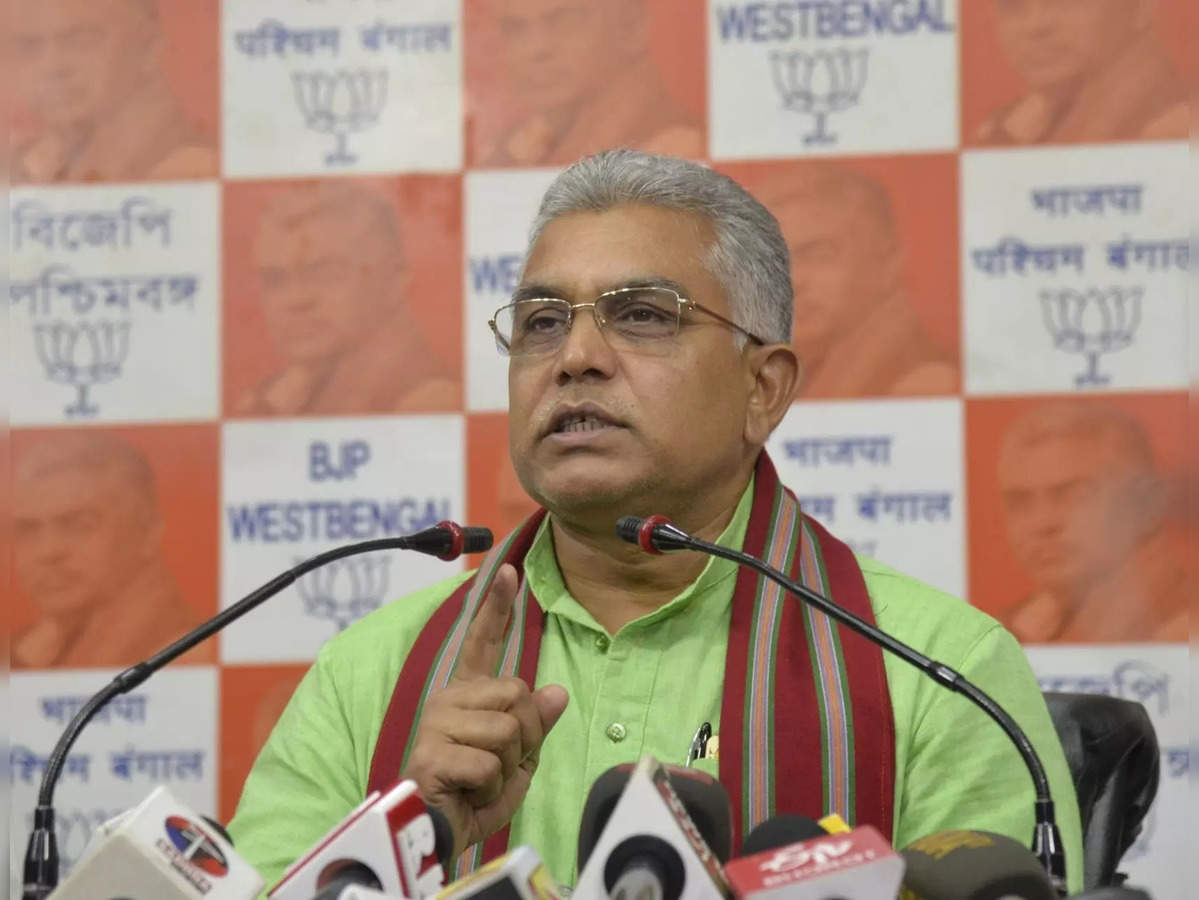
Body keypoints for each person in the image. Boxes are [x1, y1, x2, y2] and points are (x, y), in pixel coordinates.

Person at [228, 150, 1083, 891]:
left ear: (763, 388)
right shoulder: (370, 678)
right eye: (540, 322)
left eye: (640, 315)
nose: (575, 358)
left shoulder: (938, 670)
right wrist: (411, 836)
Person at [234, 181, 461, 416]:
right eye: (276, 280)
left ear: (394, 281)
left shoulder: (426, 401)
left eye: (326, 274)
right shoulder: (266, 400)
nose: (296, 299)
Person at [12, 432, 214, 669]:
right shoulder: (22, 650)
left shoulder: (188, 652)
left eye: (79, 525)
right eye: (29, 530)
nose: (48, 551)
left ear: (147, 533)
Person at [997, 401, 1186, 643]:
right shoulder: (1003, 631)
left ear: (1143, 504)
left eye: (1075, 496)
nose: (1042, 522)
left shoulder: (1183, 624)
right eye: (1020, 502)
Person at [762, 164, 957, 398]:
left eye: (819, 255)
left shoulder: (923, 382)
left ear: (888, 262)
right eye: (779, 261)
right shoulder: (808, 368)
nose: (794, 281)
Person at [474, 0, 702, 166]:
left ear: (632, 27)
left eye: (565, 20)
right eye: (515, 28)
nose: (537, 48)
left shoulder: (678, 150)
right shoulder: (505, 151)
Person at [11, 0, 217, 184]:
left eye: (81, 41)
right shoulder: (23, 167)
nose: (52, 67)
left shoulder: (192, 169)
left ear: (149, 48)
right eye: (31, 46)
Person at [977, 0, 1188, 145]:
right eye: (1013, 6)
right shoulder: (998, 131)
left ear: (1140, 8)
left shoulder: (1177, 128)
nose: (1035, 25)